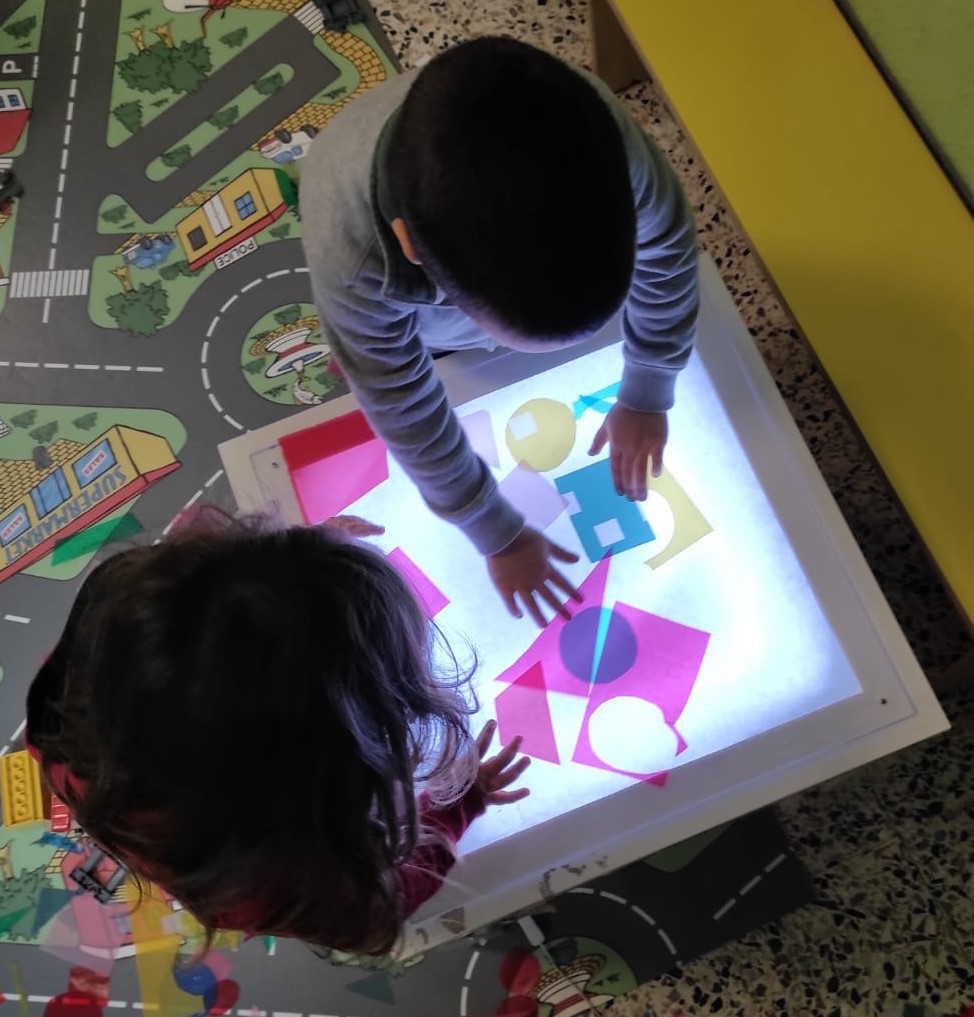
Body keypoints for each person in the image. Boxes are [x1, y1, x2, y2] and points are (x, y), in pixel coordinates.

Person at [300, 36, 699, 628]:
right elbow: (400, 403)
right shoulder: (354, 261)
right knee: (374, 352)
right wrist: (495, 530)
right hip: (385, 257)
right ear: (412, 250)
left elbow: (668, 253)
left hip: (445, 189)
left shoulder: (598, 134)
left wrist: (648, 386)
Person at [24, 506, 529, 956]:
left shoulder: (89, 674)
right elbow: (376, 913)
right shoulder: (267, 888)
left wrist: (292, 571)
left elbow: (211, 621)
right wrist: (462, 802)